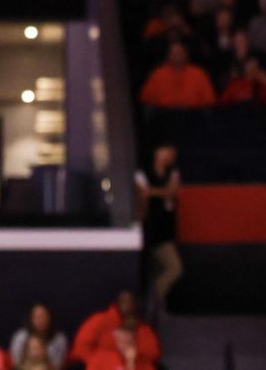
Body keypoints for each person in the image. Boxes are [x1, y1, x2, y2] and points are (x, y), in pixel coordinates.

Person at [134, 143, 183, 314]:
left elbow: (172, 192)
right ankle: (152, 302)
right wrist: (161, 192)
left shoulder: (173, 172)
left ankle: (153, 302)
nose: (172, 155)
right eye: (168, 150)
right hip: (149, 230)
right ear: (157, 151)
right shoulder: (142, 172)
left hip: (167, 229)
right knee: (172, 267)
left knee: (169, 268)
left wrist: (153, 192)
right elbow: (142, 195)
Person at [71, 292, 160, 368]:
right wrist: (99, 363)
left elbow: (154, 352)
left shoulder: (143, 329)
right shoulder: (100, 320)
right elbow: (80, 347)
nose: (127, 305)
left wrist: (132, 359)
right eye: (124, 301)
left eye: (129, 341)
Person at [139, 42, 216, 109]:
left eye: (180, 53)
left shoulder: (199, 73)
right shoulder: (157, 74)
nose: (177, 56)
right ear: (168, 56)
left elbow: (209, 100)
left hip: (193, 115)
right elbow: (147, 99)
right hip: (166, 116)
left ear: (186, 55)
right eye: (174, 53)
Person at [9, 305, 67, 369]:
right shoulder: (21, 336)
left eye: (43, 316)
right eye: (34, 348)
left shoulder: (59, 338)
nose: (40, 319)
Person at [85, 326, 154, 370]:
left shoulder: (144, 364)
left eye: (129, 342)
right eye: (122, 341)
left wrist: (130, 364)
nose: (126, 346)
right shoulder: (100, 358)